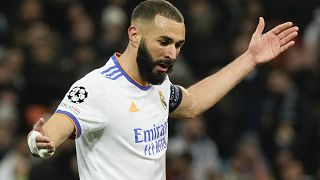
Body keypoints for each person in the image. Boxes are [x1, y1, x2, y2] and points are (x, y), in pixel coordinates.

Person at [26, 0, 299, 179]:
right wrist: (38, 142)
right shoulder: (97, 88)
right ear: (135, 35)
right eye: (164, 41)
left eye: (178, 45)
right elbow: (53, 130)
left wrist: (250, 58)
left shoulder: (159, 83)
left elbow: (193, 103)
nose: (172, 53)